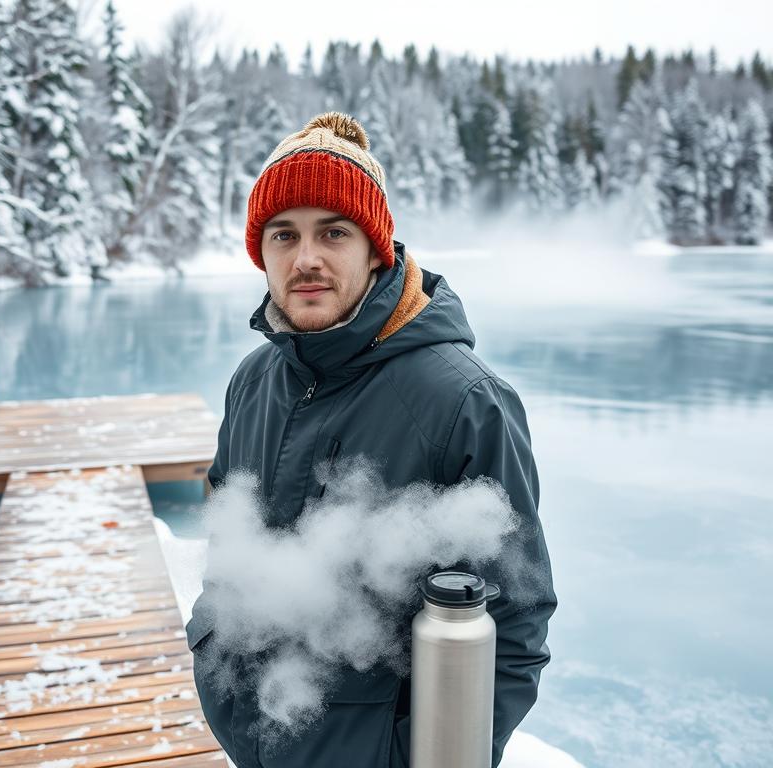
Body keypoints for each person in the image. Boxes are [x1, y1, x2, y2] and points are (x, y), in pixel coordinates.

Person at [186, 111, 557, 768]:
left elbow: (514, 624)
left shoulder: (463, 402)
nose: (306, 259)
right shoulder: (254, 379)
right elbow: (227, 538)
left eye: (333, 232)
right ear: (260, 251)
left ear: (374, 247)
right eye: (283, 234)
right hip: (251, 740)